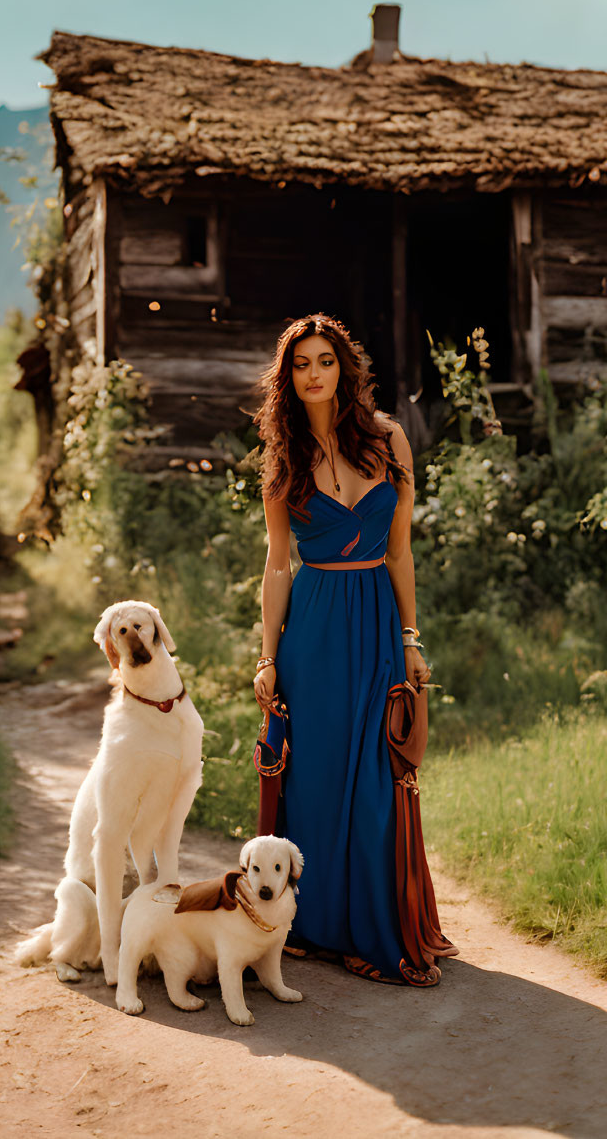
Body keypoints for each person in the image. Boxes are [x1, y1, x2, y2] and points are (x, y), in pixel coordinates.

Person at [250, 313, 455, 985]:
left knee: (376, 777)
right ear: (288, 378)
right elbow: (278, 565)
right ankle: (318, 926)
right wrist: (267, 656)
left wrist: (409, 636)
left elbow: (399, 550)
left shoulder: (390, 438)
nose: (314, 373)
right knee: (314, 779)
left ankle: (377, 926)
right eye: (301, 364)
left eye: (325, 361)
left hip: (374, 624)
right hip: (312, 630)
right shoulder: (282, 457)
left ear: (344, 369)